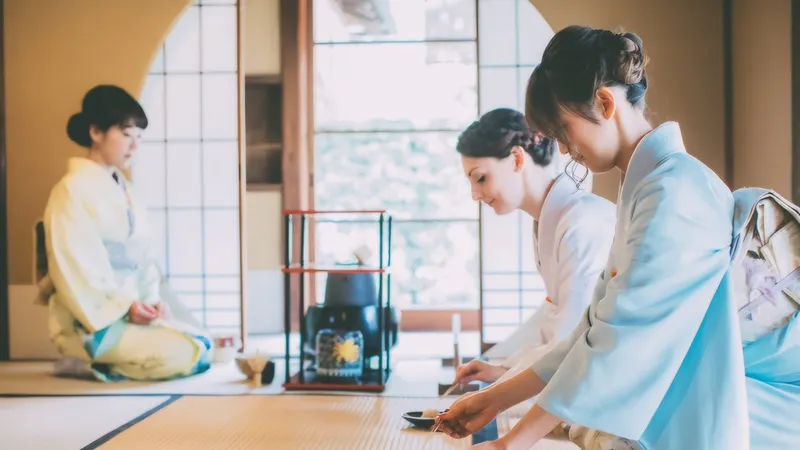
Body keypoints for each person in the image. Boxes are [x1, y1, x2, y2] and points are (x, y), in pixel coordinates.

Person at [438, 26, 754, 450]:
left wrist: (510, 442)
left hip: (692, 412)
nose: (565, 150)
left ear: (605, 103)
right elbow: (590, 328)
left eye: (565, 131)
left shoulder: (674, 191)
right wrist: (495, 399)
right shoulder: (648, 187)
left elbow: (612, 346)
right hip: (661, 411)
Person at [42, 85, 213, 382]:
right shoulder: (70, 191)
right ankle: (84, 359)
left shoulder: (125, 191)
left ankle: (101, 364)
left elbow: (143, 260)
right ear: (96, 132)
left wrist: (151, 301)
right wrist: (125, 307)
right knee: (183, 354)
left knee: (204, 344)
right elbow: (78, 269)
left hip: (126, 311)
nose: (134, 146)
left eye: (139, 137)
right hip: (92, 321)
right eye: (126, 135)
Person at [452, 108, 615, 392]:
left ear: (517, 158)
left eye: (480, 178)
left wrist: (500, 387)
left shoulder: (582, 223)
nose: (475, 195)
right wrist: (502, 369)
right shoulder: (551, 219)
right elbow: (555, 314)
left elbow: (572, 333)